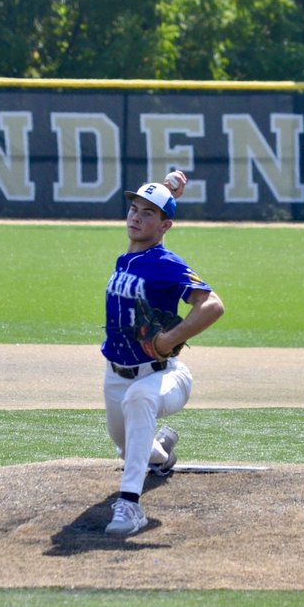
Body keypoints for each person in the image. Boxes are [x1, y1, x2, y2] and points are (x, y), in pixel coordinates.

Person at [101, 171, 225, 536]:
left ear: (165, 225)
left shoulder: (165, 262)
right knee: (131, 449)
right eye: (134, 209)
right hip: (114, 376)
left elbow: (213, 305)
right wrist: (168, 189)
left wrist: (170, 338)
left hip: (163, 375)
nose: (136, 217)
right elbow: (156, 207)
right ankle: (163, 453)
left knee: (140, 401)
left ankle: (130, 506)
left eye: (147, 214)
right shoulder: (129, 258)